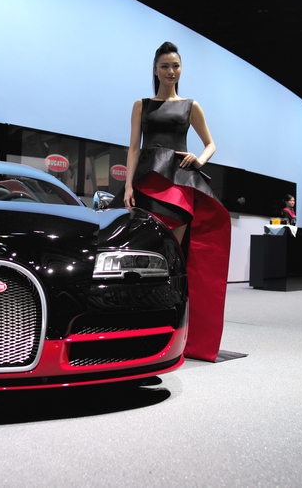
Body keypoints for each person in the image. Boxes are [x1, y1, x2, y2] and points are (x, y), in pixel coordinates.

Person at [121, 41, 231, 362]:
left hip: (177, 187)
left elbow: (210, 144)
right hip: (145, 183)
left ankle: (172, 330)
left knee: (172, 258)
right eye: (165, 66)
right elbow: (133, 148)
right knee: (140, 256)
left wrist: (199, 159)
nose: (171, 71)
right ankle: (136, 326)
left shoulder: (190, 106)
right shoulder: (141, 105)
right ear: (155, 70)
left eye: (176, 66)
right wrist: (127, 185)